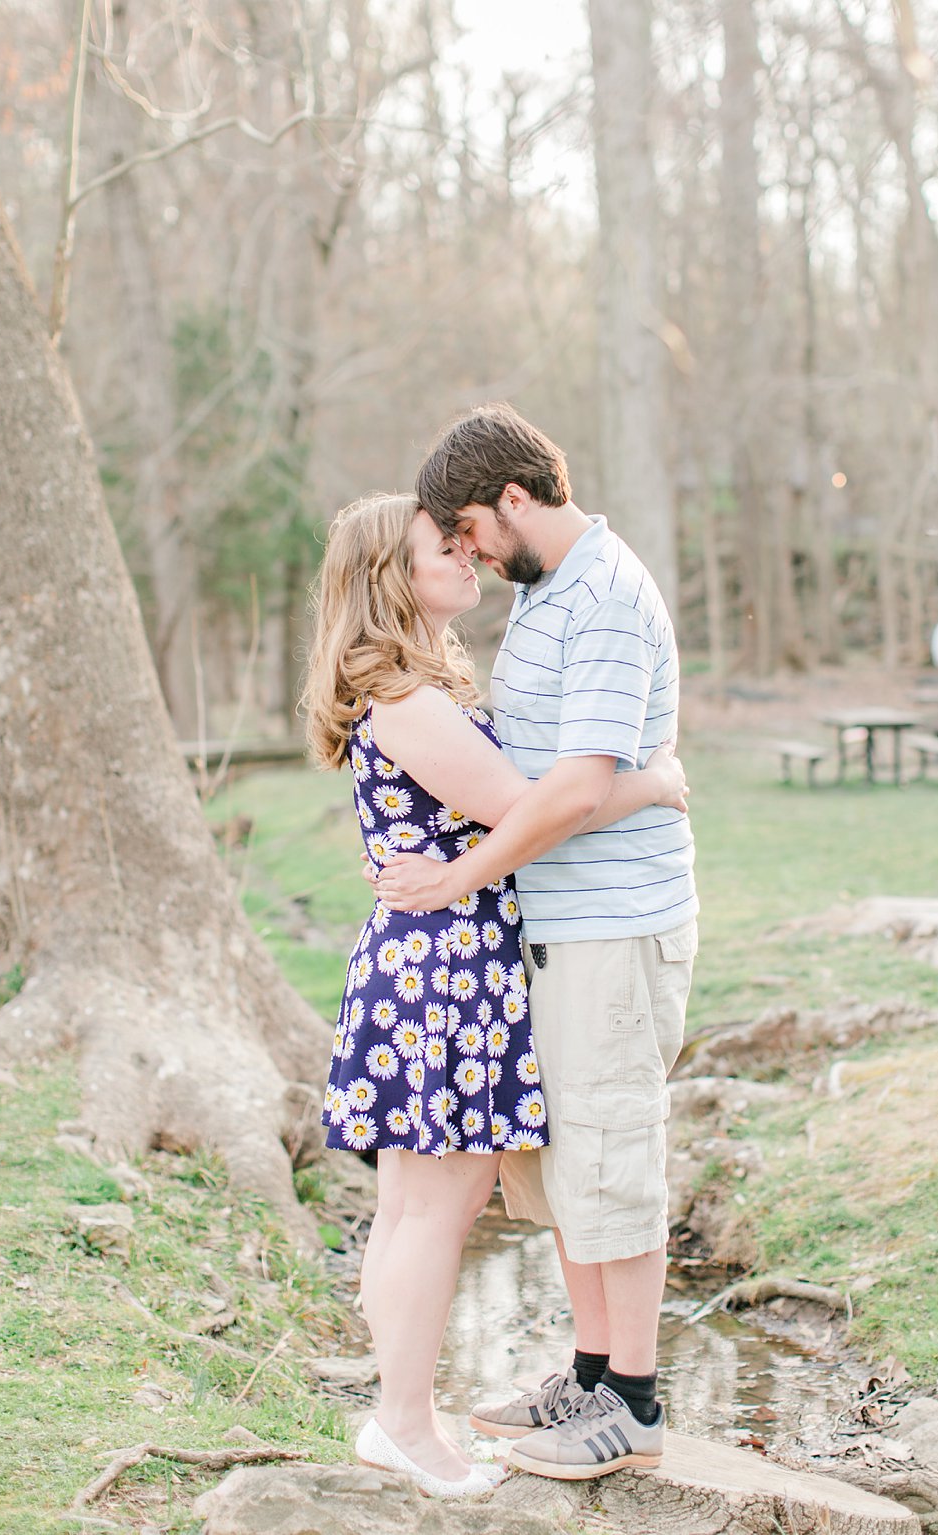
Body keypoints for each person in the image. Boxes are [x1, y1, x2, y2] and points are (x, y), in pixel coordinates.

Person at [301, 492, 687, 1497]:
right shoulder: (409, 699)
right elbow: (535, 808)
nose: (467, 556)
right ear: (397, 575)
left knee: (408, 1208)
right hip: (443, 972)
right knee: (436, 1210)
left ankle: (400, 1408)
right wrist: (654, 779)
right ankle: (405, 1422)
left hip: (429, 957)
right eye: (445, 547)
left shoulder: (408, 684)